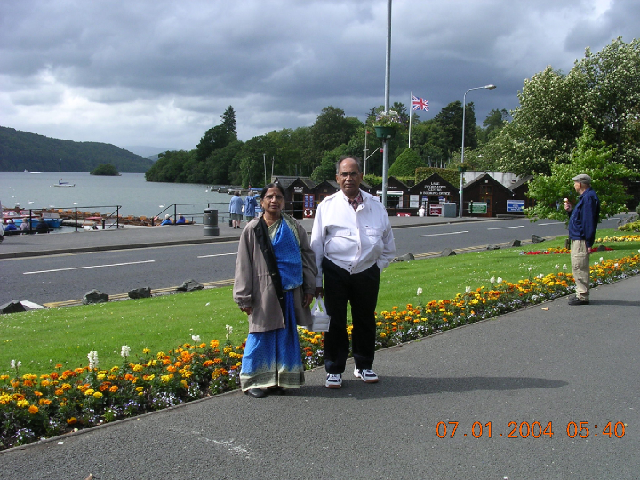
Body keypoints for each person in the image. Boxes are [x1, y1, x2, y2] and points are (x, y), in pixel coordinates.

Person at [310, 156, 396, 389]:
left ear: (361, 176)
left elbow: (388, 242)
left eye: (353, 173)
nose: (349, 178)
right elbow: (316, 246)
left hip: (367, 271)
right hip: (335, 270)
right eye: (344, 174)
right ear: (337, 178)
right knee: (335, 321)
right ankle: (334, 369)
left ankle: (364, 365)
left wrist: (379, 265)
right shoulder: (326, 207)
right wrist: (318, 280)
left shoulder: (376, 206)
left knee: (365, 319)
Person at [233, 183, 317, 398]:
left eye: (279, 197)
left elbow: (306, 256)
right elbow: (244, 264)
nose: (274, 201)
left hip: (290, 291)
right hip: (263, 293)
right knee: (260, 335)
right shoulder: (252, 229)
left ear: (284, 201)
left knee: (285, 335)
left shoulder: (293, 226)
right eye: (270, 197)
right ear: (261, 201)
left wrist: (309, 287)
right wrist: (244, 297)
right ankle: (253, 382)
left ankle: (279, 380)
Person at [564, 173, 600, 306]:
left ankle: (583, 296)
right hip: (578, 237)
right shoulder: (585, 198)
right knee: (577, 265)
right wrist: (570, 211)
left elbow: (588, 221)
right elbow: (580, 218)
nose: (574, 185)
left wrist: (589, 241)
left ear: (580, 184)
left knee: (580, 266)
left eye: (575, 183)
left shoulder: (588, 198)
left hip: (581, 238)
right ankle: (580, 293)